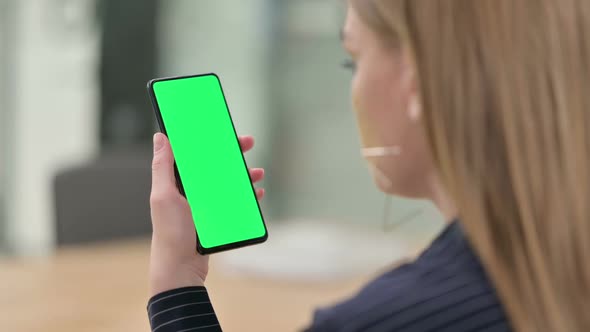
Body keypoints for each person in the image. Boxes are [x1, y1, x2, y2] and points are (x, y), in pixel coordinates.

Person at [146, 0, 590, 331]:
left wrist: (175, 280)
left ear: (416, 82)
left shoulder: (376, 324)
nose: (353, 87)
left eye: (352, 59)